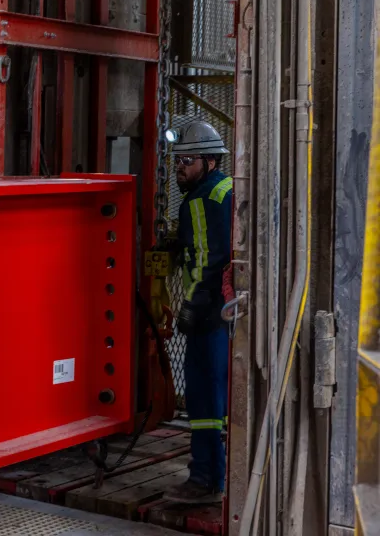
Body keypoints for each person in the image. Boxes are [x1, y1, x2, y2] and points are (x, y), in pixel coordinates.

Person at [164, 121, 232, 504]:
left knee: (204, 397)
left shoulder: (202, 199)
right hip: (222, 313)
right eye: (177, 162)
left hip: (207, 316)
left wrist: (189, 307)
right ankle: (210, 475)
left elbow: (208, 260)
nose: (179, 170)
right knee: (213, 397)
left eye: (186, 161)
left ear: (208, 161)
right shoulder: (224, 189)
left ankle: (205, 478)